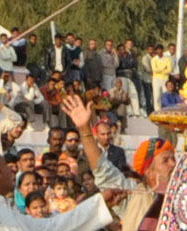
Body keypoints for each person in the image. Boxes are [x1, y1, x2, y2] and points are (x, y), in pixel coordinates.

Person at [61, 95, 167, 231]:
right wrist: (84, 130)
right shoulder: (134, 193)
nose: (172, 165)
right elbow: (102, 170)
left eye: (173, 160)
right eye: (166, 160)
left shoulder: (180, 194)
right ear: (149, 170)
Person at [150, 45, 170, 111]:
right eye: (157, 50)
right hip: (156, 79)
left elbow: (169, 70)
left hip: (165, 78)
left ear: (162, 50)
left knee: (165, 94)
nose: (159, 51)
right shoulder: (154, 59)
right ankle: (157, 110)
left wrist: (160, 70)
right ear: (156, 51)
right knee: (157, 95)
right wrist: (164, 68)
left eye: (160, 49)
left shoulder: (167, 59)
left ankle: (165, 109)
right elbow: (154, 70)